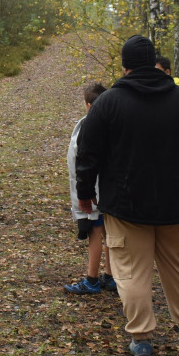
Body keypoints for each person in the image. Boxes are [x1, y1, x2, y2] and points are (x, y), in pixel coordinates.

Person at [76, 35, 179, 356]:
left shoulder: (108, 103)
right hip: (178, 204)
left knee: (131, 272)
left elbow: (87, 152)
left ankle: (142, 341)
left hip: (125, 206)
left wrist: (84, 192)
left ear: (124, 66)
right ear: (155, 63)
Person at [64, 82, 115, 295]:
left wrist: (85, 195)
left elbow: (84, 163)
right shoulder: (112, 123)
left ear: (87, 104)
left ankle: (92, 279)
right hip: (106, 192)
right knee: (109, 234)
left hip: (94, 193)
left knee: (96, 233)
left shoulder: (89, 127)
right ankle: (111, 276)